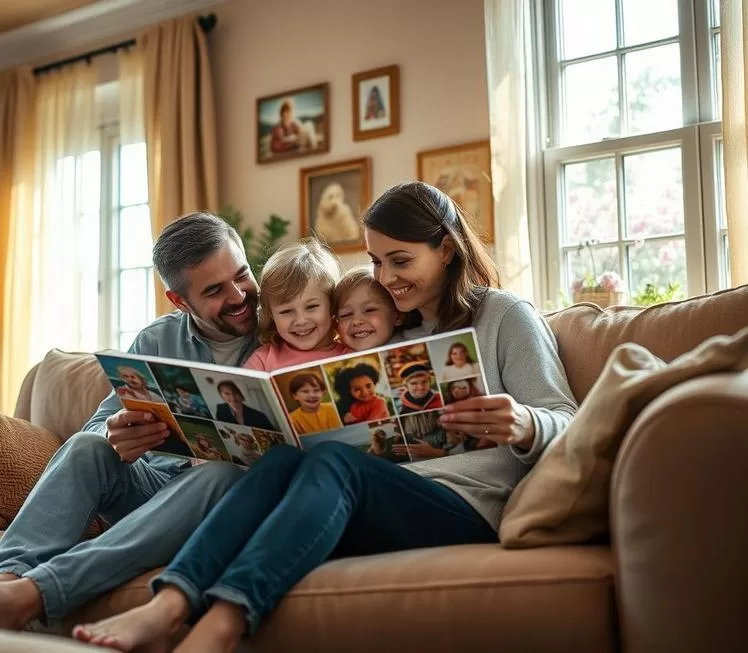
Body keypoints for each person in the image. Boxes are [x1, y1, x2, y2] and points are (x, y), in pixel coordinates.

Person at [74, 181, 577, 652]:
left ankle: (221, 627)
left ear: (446, 249)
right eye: (378, 262)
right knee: (279, 463)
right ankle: (169, 603)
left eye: (400, 261)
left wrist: (526, 423)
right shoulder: (388, 329)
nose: (386, 279)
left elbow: (567, 417)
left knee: (333, 463)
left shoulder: (506, 316)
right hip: (374, 500)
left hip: (463, 504)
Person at [0, 212, 262, 631]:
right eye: (216, 291)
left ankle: (32, 595)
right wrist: (115, 433)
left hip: (231, 498)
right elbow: (98, 425)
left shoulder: (285, 330)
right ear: (180, 301)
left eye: (242, 275)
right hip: (156, 489)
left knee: (220, 474)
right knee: (85, 446)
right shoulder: (156, 341)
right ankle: (1, 582)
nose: (239, 295)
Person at [243, 238, 351, 371]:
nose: (300, 320)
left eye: (311, 307)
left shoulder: (351, 356)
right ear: (271, 314)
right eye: (286, 311)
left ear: (332, 305)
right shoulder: (263, 359)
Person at [333, 268, 404, 351]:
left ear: (397, 315)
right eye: (346, 315)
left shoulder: (415, 339)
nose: (356, 321)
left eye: (369, 310)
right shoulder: (336, 354)